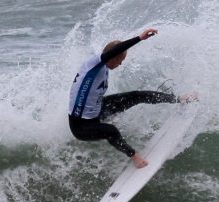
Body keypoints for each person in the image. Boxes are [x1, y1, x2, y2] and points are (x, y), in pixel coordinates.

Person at [68, 28, 192, 168]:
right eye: (120, 60)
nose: (120, 64)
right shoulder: (94, 64)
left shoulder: (101, 68)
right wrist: (140, 38)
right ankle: (134, 157)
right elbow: (116, 49)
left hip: (96, 110)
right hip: (81, 125)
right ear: (113, 57)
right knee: (111, 131)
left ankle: (177, 98)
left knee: (136, 95)